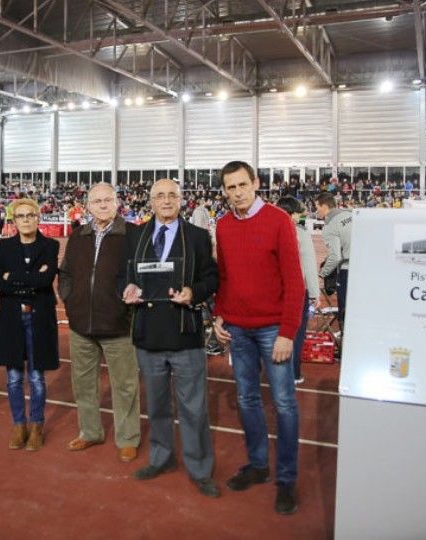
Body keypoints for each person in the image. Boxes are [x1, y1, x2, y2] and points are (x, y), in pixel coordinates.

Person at [212, 160, 305, 515]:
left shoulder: (279, 220)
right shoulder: (221, 226)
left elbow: (295, 282)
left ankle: (286, 479)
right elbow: (224, 277)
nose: (236, 193)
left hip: (272, 330)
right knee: (247, 399)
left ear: (255, 183)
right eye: (230, 187)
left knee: (284, 404)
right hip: (237, 328)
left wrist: (287, 333)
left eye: (241, 185)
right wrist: (220, 314)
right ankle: (258, 464)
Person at [122, 179, 220, 497]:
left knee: (193, 408)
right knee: (158, 405)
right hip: (148, 334)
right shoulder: (135, 234)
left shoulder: (197, 236)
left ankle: (200, 468)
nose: (166, 200)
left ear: (181, 200)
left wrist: (194, 292)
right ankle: (161, 458)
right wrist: (126, 289)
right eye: (159, 195)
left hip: (185, 333)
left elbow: (211, 277)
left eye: (171, 195)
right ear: (149, 201)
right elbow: (122, 276)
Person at [58, 182, 141, 462]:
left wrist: (127, 307)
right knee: (83, 384)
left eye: (108, 200)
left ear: (117, 203)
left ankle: (128, 437)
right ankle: (90, 431)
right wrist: (70, 301)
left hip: (118, 324)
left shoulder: (133, 234)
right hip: (81, 324)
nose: (103, 205)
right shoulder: (78, 236)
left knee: (125, 384)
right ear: (88, 206)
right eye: (97, 201)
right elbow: (66, 273)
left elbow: (141, 276)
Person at [0, 198, 59, 451]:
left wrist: (14, 277)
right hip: (11, 317)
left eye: (30, 215)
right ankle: (19, 425)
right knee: (13, 377)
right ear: (14, 220)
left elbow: (45, 280)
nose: (26, 219)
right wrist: (30, 278)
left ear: (38, 217)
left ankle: (37, 425)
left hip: (39, 316)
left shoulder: (50, 245)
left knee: (37, 377)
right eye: (21, 216)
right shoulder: (4, 247)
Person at [276, 197, 321, 384]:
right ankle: (293, 373)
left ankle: (275, 371)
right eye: (298, 212)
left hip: (273, 291)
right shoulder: (300, 233)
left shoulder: (270, 229)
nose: (300, 216)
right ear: (292, 213)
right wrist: (315, 294)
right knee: (295, 331)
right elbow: (309, 266)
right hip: (295, 291)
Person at [315, 192, 352, 326]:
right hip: (365, 266)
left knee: (346, 312)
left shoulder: (330, 226)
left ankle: (345, 341)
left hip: (347, 270)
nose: (316, 211)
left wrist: (322, 273)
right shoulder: (351, 214)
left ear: (324, 206)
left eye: (317, 207)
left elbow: (335, 257)